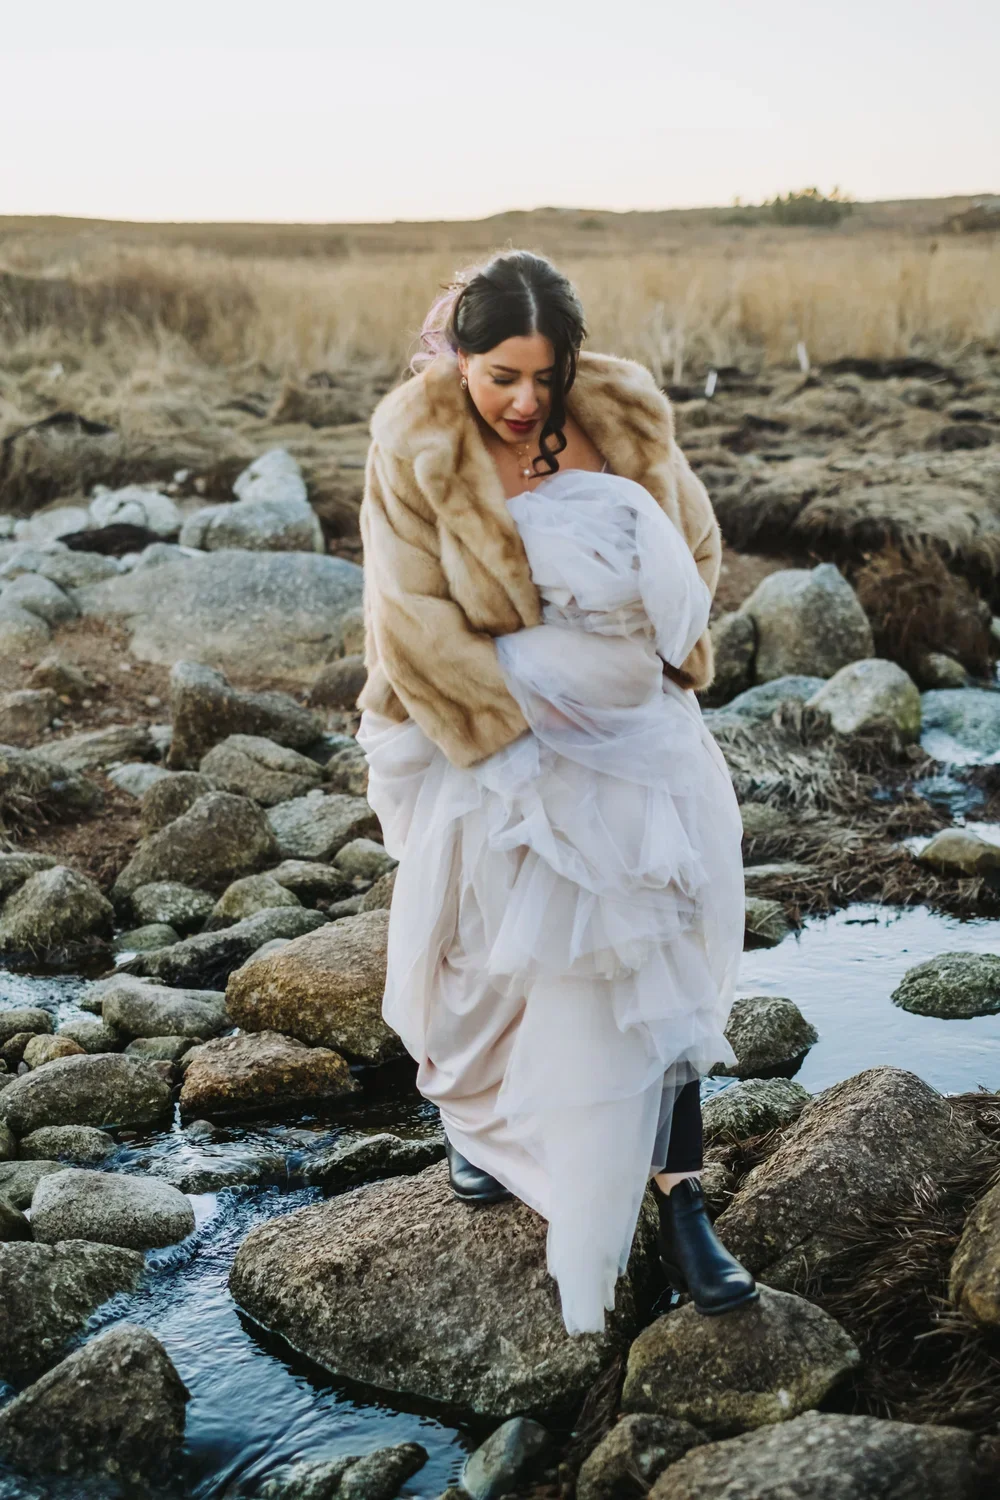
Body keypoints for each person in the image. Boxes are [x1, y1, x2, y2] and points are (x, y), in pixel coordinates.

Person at [355, 249, 758, 1336]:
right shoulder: (415, 440)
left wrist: (634, 655)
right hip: (478, 724)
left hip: (636, 737)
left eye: (546, 374)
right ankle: (476, 1124)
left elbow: (695, 544)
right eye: (501, 377)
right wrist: (521, 718)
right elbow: (409, 614)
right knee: (485, 955)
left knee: (654, 952)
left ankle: (681, 1204)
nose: (527, 401)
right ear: (459, 357)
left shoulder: (623, 412)